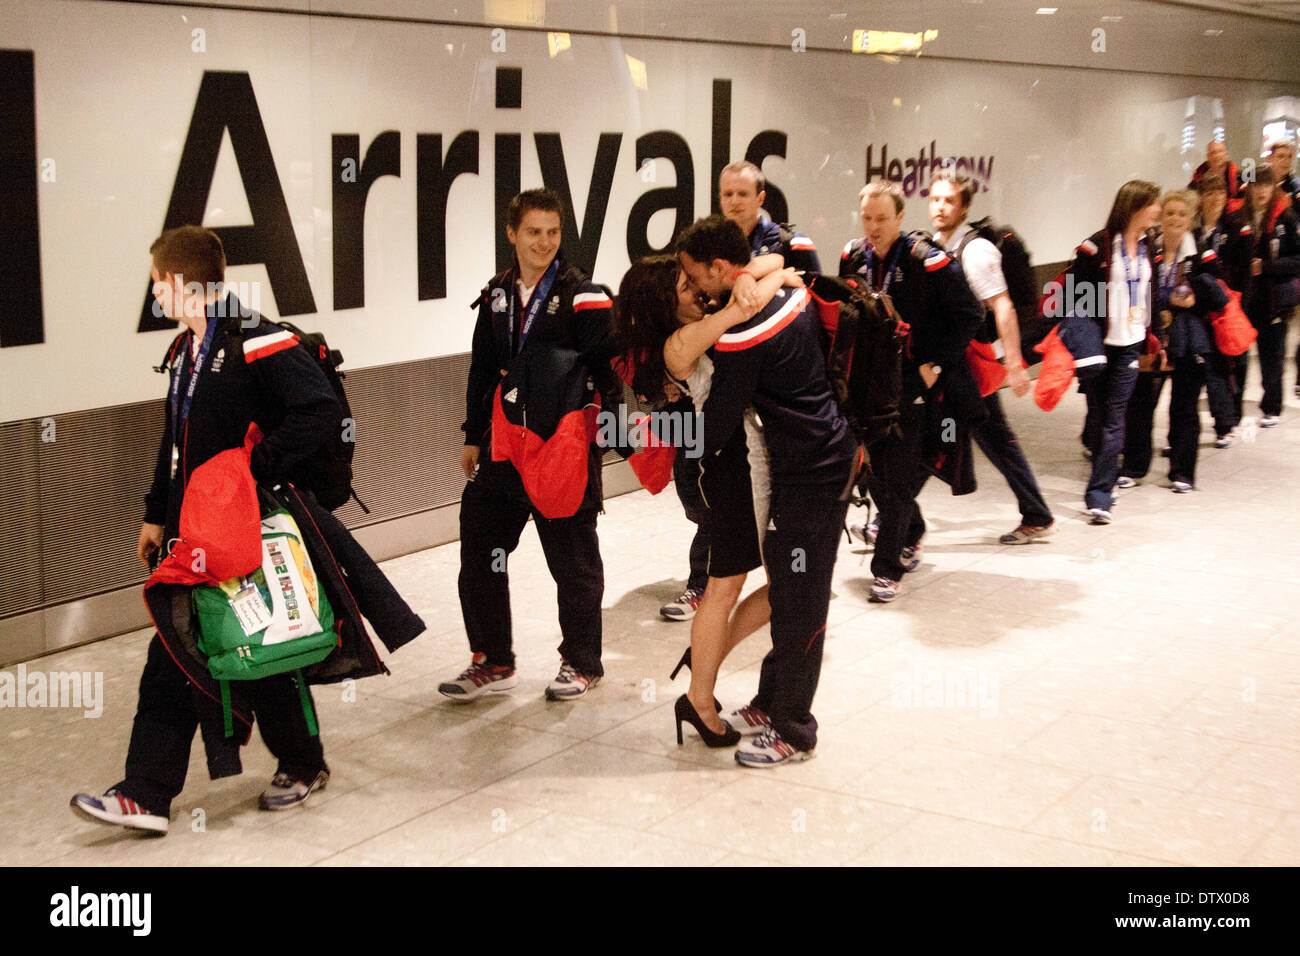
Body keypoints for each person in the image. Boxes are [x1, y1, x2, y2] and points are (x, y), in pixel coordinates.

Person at [71, 226, 341, 834]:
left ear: (176, 282)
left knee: (245, 646)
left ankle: (284, 765)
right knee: (196, 644)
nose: (156, 298)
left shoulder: (255, 338)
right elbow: (176, 445)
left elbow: (318, 409)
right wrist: (154, 514)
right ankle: (150, 791)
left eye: (156, 286)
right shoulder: (187, 350)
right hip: (194, 531)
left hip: (243, 526)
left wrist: (254, 469)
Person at [677, 214, 856, 766]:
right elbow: (785, 269)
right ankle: (772, 698)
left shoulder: (743, 333)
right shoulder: (790, 292)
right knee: (788, 584)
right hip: (819, 459)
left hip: (813, 472)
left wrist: (664, 421)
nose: (692, 289)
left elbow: (714, 430)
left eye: (693, 277)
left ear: (721, 269)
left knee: (801, 598)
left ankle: (795, 730)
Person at [440, 189, 618, 703]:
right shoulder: (496, 294)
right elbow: (480, 369)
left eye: (553, 232)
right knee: (481, 548)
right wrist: (474, 435)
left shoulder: (582, 294)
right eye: (534, 232)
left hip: (560, 451)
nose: (544, 242)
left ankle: (582, 662)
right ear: (512, 233)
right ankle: (492, 659)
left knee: (572, 560)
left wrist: (607, 434)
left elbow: (608, 369)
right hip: (503, 449)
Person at [614, 255, 797, 747]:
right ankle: (698, 697)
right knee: (732, 589)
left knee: (777, 584)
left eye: (694, 281)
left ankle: (703, 663)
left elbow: (774, 257)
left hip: (743, 464)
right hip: (726, 472)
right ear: (663, 304)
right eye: (684, 288)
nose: (697, 291)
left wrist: (770, 271)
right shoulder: (680, 342)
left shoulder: (696, 325)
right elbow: (745, 306)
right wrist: (775, 280)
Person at [841, 181, 984, 600]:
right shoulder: (853, 255)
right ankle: (913, 528)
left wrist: (934, 363)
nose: (873, 226)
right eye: (867, 217)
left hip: (911, 384)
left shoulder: (927, 260)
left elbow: (970, 314)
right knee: (872, 475)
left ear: (900, 218)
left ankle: (887, 569)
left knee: (898, 476)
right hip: (867, 384)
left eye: (882, 218)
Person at [928, 170, 1054, 544]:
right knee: (938, 438)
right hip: (950, 362)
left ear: (964, 206)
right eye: (935, 199)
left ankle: (1037, 513)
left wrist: (1015, 366)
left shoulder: (976, 250)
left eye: (949, 200)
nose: (940, 207)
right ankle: (895, 523)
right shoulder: (936, 243)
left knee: (990, 439)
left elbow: (1003, 308)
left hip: (971, 367)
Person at [1073, 180, 1162, 524]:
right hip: (1099, 347)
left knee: (1114, 420)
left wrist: (1155, 336)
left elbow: (1147, 294)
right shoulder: (1096, 247)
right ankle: (1102, 478)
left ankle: (1100, 496)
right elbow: (1075, 299)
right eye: (1153, 204)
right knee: (1098, 419)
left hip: (1131, 346)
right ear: (1136, 207)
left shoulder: (1147, 244)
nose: (1157, 210)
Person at [1148, 190, 1229, 492]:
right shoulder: (1148, 251)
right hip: (1153, 340)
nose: (1175, 219)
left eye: (1182, 214)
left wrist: (1180, 297)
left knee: (1184, 408)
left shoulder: (1200, 254)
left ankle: (1182, 473)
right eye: (1170, 213)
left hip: (1189, 342)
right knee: (1142, 405)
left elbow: (1212, 295)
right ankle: (1133, 465)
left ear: (1191, 218)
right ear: (1161, 216)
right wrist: (1172, 297)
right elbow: (1138, 292)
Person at [1240, 166, 1300, 428]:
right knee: (1239, 355)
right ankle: (1232, 411)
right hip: (1244, 297)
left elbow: (1298, 260)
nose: (1261, 190)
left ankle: (1272, 407)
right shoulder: (1239, 217)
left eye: (1266, 185)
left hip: (1274, 299)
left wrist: (1265, 266)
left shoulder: (1286, 217)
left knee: (1272, 356)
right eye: (1256, 185)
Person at [1194, 176, 1250, 445]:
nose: (1215, 197)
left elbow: (1244, 270)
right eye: (1209, 192)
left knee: (1223, 366)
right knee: (1197, 369)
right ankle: (1187, 430)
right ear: (1200, 196)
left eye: (1219, 192)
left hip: (1225, 307)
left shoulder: (1235, 228)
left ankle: (1224, 424)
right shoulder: (1192, 230)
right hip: (1195, 308)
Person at [718, 160, 821, 275]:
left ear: (760, 199)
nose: (734, 201)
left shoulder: (794, 243)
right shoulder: (709, 247)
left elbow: (813, 292)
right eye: (728, 194)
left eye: (743, 194)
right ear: (720, 199)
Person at [1189, 140, 1243, 210]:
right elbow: (1189, 200)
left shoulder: (1240, 177)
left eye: (1220, 151)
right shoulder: (1198, 178)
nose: (1217, 155)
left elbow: (1246, 200)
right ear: (1208, 156)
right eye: (1213, 153)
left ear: (1226, 154)